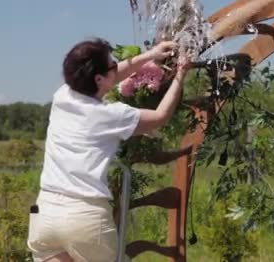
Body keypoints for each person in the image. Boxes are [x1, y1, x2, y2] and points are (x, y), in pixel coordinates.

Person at [27, 37, 188, 262]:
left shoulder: (63, 96)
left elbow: (115, 74)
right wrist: (181, 73)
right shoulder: (111, 115)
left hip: (45, 213)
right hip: (84, 217)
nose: (117, 67)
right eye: (112, 65)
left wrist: (152, 55)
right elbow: (160, 117)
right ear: (99, 79)